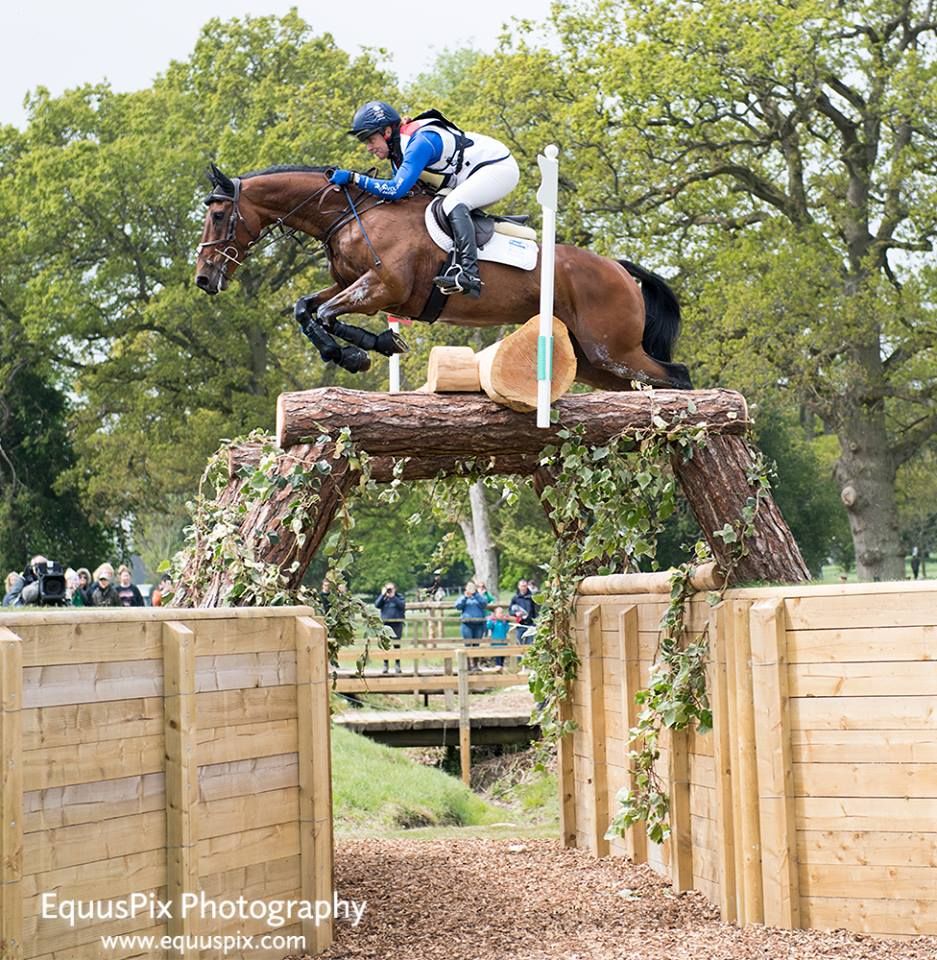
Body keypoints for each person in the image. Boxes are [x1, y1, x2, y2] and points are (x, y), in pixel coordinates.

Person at [331, 101, 521, 299]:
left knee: (453, 203)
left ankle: (469, 274)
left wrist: (355, 178)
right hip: (470, 174)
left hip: (497, 167)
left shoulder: (420, 142)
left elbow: (395, 189)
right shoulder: (398, 152)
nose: (369, 148)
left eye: (370, 140)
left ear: (387, 132)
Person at [455, 581, 489, 671]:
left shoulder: (480, 597)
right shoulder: (463, 598)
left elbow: (484, 604)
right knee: (467, 644)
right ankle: (467, 665)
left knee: (476, 645)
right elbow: (458, 606)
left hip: (479, 624)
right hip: (467, 624)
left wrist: (476, 594)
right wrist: (465, 597)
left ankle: (475, 665)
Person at [375, 582, 406, 674]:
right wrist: (383, 594)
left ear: (395, 589)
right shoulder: (384, 598)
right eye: (388, 588)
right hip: (385, 625)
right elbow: (377, 605)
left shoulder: (399, 597)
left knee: (397, 645)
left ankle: (397, 665)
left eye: (391, 588)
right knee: (385, 646)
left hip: (397, 624)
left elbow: (402, 605)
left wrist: (393, 597)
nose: (389, 590)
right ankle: (385, 665)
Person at [486, 605, 512, 669]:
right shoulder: (494, 622)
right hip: (495, 643)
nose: (501, 614)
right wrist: (490, 620)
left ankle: (501, 666)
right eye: (499, 613)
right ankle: (498, 666)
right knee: (497, 656)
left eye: (502, 612)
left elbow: (506, 629)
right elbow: (488, 626)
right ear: (495, 614)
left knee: (502, 656)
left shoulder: (504, 622)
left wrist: (506, 621)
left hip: (503, 642)